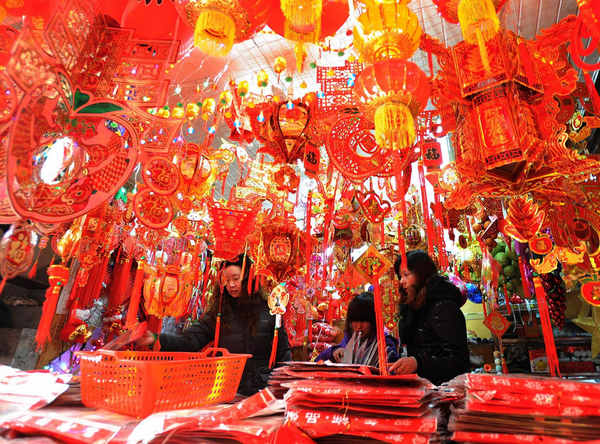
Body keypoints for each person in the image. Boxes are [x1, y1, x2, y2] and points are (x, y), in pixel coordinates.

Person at [137, 254, 291, 396]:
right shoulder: (219, 313)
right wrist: (157, 339)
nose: (231, 285)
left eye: (236, 279)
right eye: (226, 280)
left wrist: (280, 388)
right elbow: (190, 340)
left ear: (248, 278)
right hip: (227, 390)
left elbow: (283, 353)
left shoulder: (269, 311)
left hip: (263, 392)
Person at [389, 250, 469, 385]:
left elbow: (458, 361)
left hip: (445, 392)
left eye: (406, 275)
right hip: (425, 389)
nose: (401, 282)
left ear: (422, 275)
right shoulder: (414, 308)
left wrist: (418, 363)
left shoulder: (443, 307)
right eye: (400, 276)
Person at [316, 291, 399, 367]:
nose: (359, 326)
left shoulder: (385, 343)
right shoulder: (350, 338)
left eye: (363, 321)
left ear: (373, 320)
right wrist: (334, 351)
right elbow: (318, 360)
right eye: (355, 321)